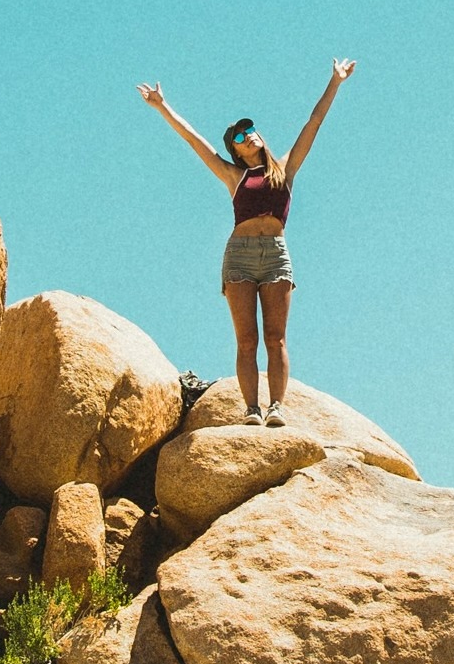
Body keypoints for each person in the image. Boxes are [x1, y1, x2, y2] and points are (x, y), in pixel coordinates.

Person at [136, 60, 355, 427]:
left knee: (276, 338)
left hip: (275, 256)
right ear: (236, 152)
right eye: (239, 137)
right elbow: (195, 142)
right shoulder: (234, 175)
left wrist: (335, 81)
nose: (247, 136)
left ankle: (277, 408)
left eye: (249, 129)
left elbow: (312, 123)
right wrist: (162, 106)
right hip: (239, 256)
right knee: (247, 340)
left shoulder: (284, 169)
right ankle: (251, 409)